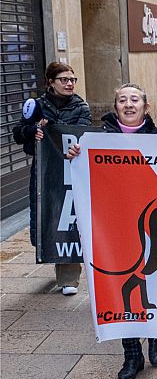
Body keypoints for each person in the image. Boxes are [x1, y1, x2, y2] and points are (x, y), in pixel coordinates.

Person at [66, 83, 157, 379]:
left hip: (153, 223)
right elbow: (86, 173)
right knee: (123, 284)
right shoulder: (98, 140)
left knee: (154, 280)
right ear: (116, 107)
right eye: (122, 100)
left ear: (146, 107)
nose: (128, 104)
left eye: (135, 99)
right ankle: (131, 352)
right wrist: (77, 156)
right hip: (116, 227)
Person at [12, 62, 91, 296]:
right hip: (45, 171)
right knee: (49, 216)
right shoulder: (36, 106)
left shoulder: (81, 106)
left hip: (71, 170)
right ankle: (52, 255)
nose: (69, 84)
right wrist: (33, 131)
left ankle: (69, 278)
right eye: (64, 79)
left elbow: (82, 133)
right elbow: (19, 134)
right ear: (51, 82)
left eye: (72, 80)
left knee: (68, 218)